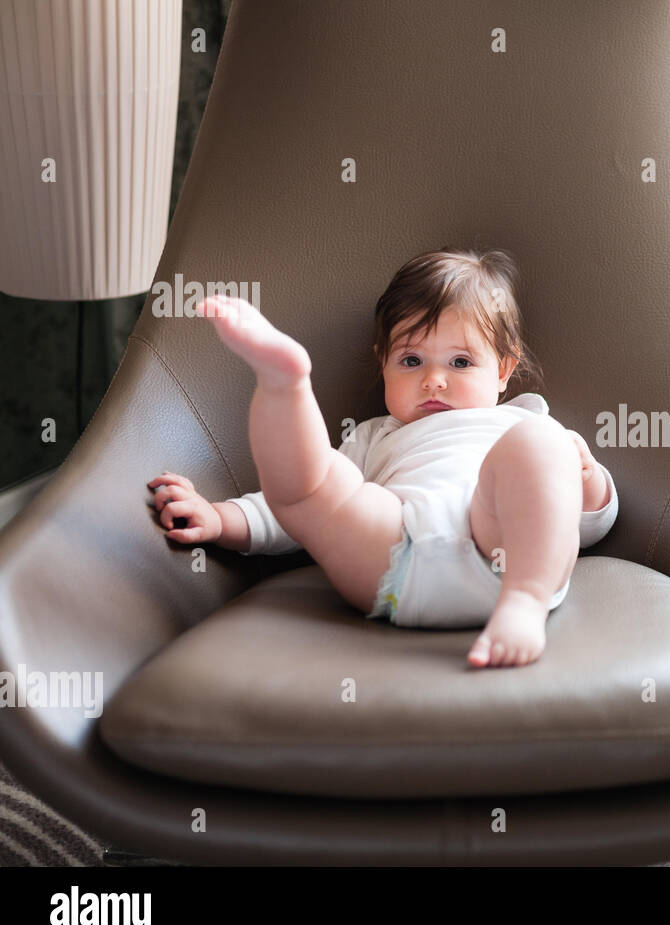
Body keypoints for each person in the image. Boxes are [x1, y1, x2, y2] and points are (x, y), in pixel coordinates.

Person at [147, 247, 617, 669]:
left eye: (460, 362)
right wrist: (221, 518)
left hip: (504, 557)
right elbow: (297, 509)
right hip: (395, 557)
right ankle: (284, 385)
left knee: (542, 445)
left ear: (504, 370)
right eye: (411, 361)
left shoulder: (522, 423)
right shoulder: (375, 436)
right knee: (317, 487)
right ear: (384, 364)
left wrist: (588, 479)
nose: (434, 380)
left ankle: (525, 605)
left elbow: (584, 523)